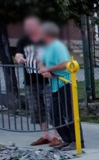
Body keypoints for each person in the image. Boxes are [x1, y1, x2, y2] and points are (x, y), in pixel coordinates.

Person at [14, 16, 60, 147]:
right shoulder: (23, 40)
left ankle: (57, 135)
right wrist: (19, 58)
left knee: (51, 107)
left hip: (47, 79)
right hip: (30, 80)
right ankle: (45, 135)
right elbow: (18, 53)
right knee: (36, 108)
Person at [38, 22, 81, 152]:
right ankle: (66, 140)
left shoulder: (57, 46)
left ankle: (77, 141)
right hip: (55, 84)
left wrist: (49, 69)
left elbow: (65, 63)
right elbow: (40, 60)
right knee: (55, 115)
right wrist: (42, 69)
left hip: (64, 82)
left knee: (69, 114)